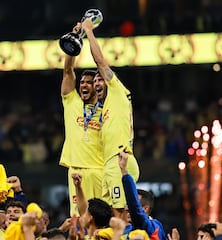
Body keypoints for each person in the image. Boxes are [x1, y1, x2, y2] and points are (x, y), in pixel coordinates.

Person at [81, 17, 140, 211]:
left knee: (119, 213)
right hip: (108, 164)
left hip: (118, 159)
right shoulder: (104, 108)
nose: (97, 83)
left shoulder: (118, 91)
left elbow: (100, 61)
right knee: (106, 215)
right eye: (95, 81)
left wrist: (89, 31)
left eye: (100, 79)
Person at [59, 23, 104, 216]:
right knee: (78, 219)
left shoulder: (107, 110)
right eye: (82, 82)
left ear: (97, 86)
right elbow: (68, 71)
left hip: (101, 170)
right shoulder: (72, 103)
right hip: (76, 171)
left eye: (89, 82)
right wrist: (73, 42)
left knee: (102, 219)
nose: (84, 85)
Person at [119, 152, 167, 240]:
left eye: (131, 208)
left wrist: (124, 171)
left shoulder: (153, 226)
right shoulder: (126, 229)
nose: (126, 208)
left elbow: (134, 207)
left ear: (145, 209)